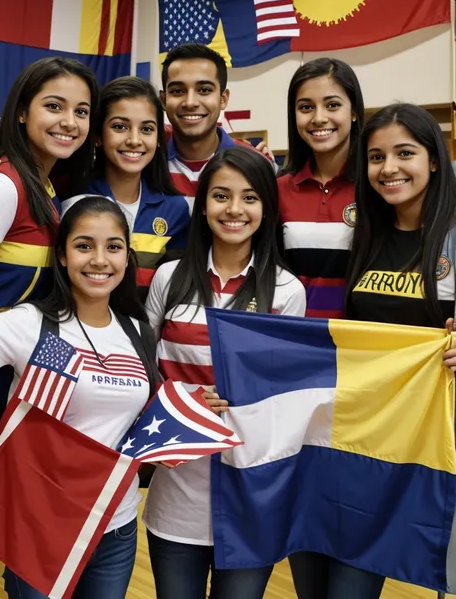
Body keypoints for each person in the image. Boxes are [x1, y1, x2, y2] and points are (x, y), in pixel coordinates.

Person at [289, 103, 456, 599]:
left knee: (352, 584)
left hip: (414, 446)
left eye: (405, 153)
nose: (389, 169)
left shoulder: (452, 236)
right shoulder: (366, 236)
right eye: (377, 157)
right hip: (350, 436)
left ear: (434, 159)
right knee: (312, 572)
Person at [144, 146, 307, 599]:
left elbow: (287, 396)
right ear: (202, 205)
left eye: (250, 197)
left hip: (252, 494)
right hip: (177, 491)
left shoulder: (286, 291)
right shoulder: (170, 278)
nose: (234, 210)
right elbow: (145, 372)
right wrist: (180, 402)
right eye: (221, 196)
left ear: (267, 209)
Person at [0, 196, 161, 599]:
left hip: (115, 524)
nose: (100, 259)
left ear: (127, 257)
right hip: (42, 525)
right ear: (61, 255)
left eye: (113, 247)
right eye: (84, 245)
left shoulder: (138, 332)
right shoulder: (32, 324)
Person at [0, 56, 98, 452]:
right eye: (54, 106)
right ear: (20, 111)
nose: (69, 121)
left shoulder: (46, 190)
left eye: (81, 111)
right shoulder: (3, 186)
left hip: (9, 389)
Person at [62, 76, 190, 299]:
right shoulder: (72, 198)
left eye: (147, 129)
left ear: (159, 138)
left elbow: (171, 293)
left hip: (144, 330)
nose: (134, 140)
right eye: (120, 126)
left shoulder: (175, 209)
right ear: (98, 136)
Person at [278, 58, 365, 318]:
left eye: (332, 105)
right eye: (306, 107)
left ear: (353, 111)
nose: (319, 118)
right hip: (296, 340)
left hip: (362, 344)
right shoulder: (278, 189)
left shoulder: (376, 187)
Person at [161, 42, 274, 210]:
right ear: (163, 100)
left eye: (204, 90)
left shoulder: (255, 163)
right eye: (178, 91)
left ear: (223, 99)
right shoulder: (145, 157)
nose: (190, 102)